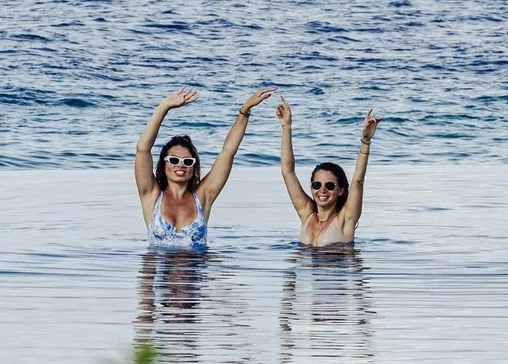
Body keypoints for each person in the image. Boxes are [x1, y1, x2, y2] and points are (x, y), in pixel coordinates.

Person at [133, 85, 271, 248]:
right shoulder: (151, 196)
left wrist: (245, 110)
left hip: (198, 264)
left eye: (187, 161)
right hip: (159, 264)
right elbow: (143, 149)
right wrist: (164, 107)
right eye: (174, 160)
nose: (181, 165)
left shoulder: (203, 196)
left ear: (194, 167)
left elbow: (228, 152)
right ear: (164, 164)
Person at [276, 100, 380, 248]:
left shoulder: (346, 218)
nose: (322, 190)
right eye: (317, 185)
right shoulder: (306, 213)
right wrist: (286, 127)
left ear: (340, 190)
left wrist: (366, 141)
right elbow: (288, 172)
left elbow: (358, 180)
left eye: (330, 186)